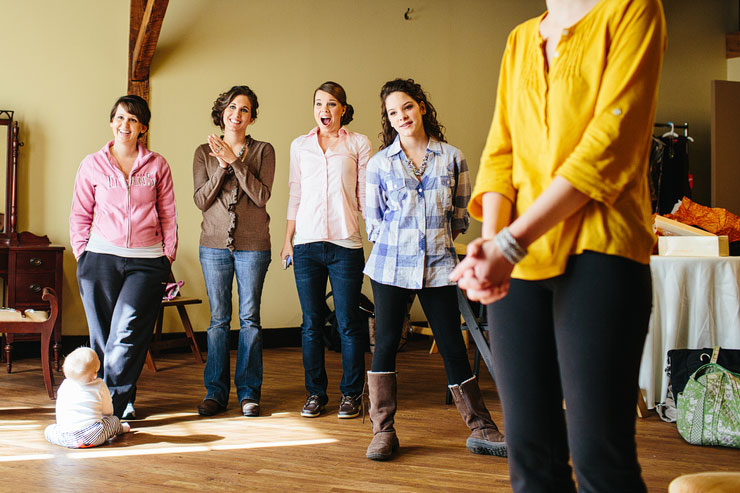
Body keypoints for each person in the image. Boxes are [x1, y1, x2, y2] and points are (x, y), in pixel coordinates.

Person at [450, 1, 666, 491]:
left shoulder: (631, 10)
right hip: (518, 265)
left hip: (601, 252)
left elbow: (609, 145)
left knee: (599, 459)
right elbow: (501, 150)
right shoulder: (522, 38)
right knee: (531, 461)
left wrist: (508, 243)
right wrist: (489, 248)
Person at [363, 78, 506, 461]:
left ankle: (482, 427)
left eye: (407, 107)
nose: (401, 116)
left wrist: (432, 241)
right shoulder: (379, 164)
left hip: (440, 265)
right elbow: (373, 223)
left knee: (451, 345)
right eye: (393, 112)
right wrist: (403, 242)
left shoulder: (453, 157)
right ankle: (383, 431)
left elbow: (459, 217)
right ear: (388, 120)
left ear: (422, 107)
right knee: (386, 345)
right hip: (390, 266)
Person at [70, 95, 177, 419]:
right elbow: (80, 213)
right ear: (111, 122)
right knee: (102, 337)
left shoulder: (157, 165)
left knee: (128, 333)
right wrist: (82, 254)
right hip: (100, 258)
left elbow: (168, 214)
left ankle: (115, 403)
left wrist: (167, 256)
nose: (124, 125)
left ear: (143, 127)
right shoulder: (93, 164)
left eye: (132, 119)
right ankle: (112, 401)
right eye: (119, 118)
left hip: (146, 260)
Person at [280, 81, 371, 419]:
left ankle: (351, 394)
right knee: (311, 323)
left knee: (348, 323)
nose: (325, 111)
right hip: (306, 245)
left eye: (332, 104)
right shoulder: (300, 146)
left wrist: (374, 233)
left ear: (343, 109)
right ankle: (315, 393)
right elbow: (295, 193)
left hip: (346, 244)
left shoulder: (359, 143)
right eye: (319, 104)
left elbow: (365, 194)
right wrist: (288, 239)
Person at [193, 86, 275, 417]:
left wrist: (234, 161)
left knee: (250, 320)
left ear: (251, 117)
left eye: (244, 109)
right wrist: (223, 164)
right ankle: (215, 392)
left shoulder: (264, 150)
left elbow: (261, 196)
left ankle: (249, 393)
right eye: (231, 107)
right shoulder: (202, 151)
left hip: (253, 246)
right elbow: (201, 200)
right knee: (218, 321)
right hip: (213, 246)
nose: (236, 114)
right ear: (222, 112)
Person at [45, 347, 131, 448]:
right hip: (94, 435)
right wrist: (107, 417)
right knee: (114, 421)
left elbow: (60, 410)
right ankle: (121, 428)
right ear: (95, 374)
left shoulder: (64, 386)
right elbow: (108, 411)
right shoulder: (99, 385)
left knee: (49, 430)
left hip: (67, 436)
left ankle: (74, 443)